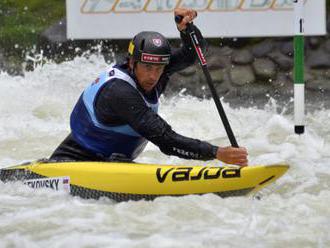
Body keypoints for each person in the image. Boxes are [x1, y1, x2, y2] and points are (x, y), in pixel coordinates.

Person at [49, 8, 248, 166]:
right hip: (74, 162)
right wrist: (216, 153)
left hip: (112, 162)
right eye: (147, 67)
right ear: (132, 63)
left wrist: (187, 30)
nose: (153, 75)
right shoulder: (119, 92)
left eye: (160, 67)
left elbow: (195, 52)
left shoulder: (157, 71)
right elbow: (165, 140)